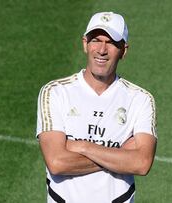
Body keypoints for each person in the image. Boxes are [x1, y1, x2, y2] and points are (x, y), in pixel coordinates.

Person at [36, 11, 157, 203]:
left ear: (124, 50)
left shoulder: (140, 99)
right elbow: (57, 162)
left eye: (111, 43)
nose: (101, 49)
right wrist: (121, 156)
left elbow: (141, 163)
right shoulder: (55, 92)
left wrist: (82, 146)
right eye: (95, 40)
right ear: (85, 44)